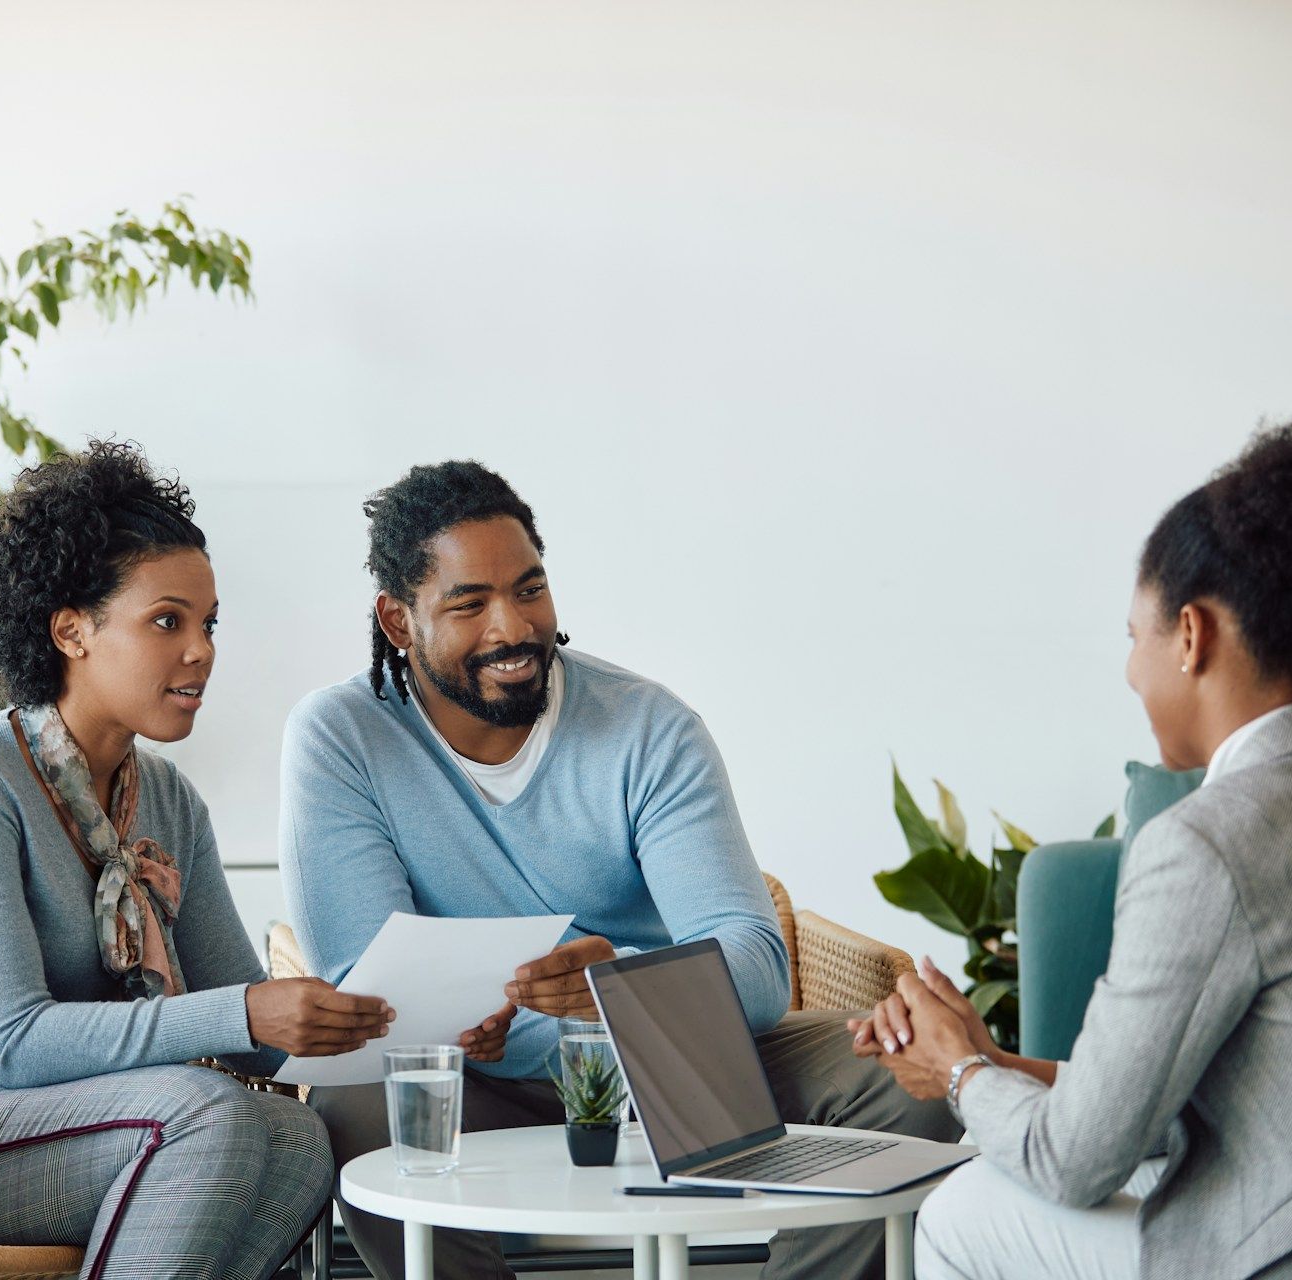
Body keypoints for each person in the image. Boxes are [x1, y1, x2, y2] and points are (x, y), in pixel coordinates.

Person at [278, 459, 960, 1280]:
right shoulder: (340, 737)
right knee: (358, 1108)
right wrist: (545, 1027)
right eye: (469, 603)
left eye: (529, 589)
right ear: (397, 619)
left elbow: (754, 961)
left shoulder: (648, 727)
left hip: (672, 1046)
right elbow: (368, 993)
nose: (511, 628)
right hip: (479, 1075)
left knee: (910, 1079)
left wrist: (621, 988)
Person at [0, 440, 393, 1280]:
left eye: (208, 624)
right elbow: (14, 1041)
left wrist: (390, 1024)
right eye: (168, 621)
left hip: (28, 1120)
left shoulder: (165, 802)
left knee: (298, 1135)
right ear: (71, 630)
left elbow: (251, 1030)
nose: (202, 650)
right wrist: (248, 1014)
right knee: (201, 1115)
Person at [849, 420, 1292, 1279]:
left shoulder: (1204, 842)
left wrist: (961, 1075)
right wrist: (991, 1061)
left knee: (963, 1214)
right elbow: (1140, 1106)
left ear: (1191, 636)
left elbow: (1075, 1165)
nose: (1129, 672)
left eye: (1133, 636)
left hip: (1288, 1246)